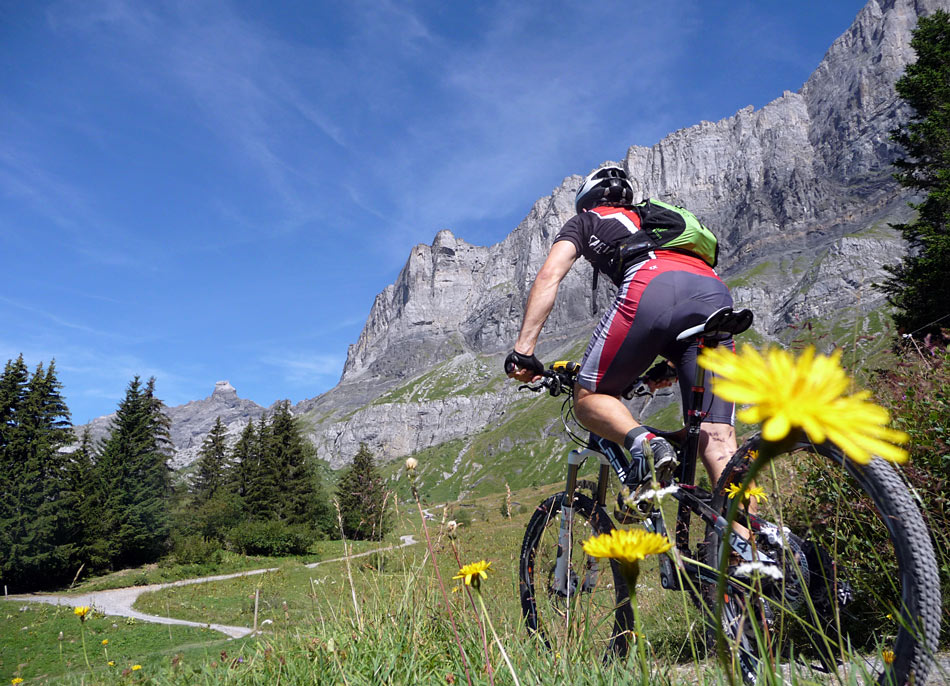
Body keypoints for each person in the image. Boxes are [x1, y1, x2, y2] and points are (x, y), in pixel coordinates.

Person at [505, 166, 737, 491]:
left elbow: (549, 276)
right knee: (718, 439)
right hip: (713, 291)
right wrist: (669, 366)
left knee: (589, 397)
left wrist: (524, 352)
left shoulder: (588, 219)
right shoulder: (656, 222)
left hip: (652, 281)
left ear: (586, 203)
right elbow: (685, 302)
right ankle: (749, 539)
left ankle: (648, 445)